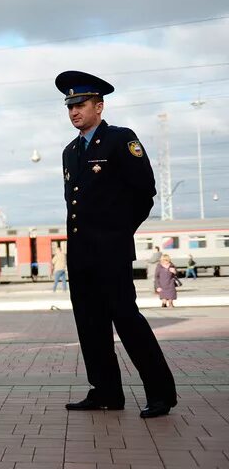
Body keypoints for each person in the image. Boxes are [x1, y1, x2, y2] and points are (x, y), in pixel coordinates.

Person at [57, 70, 177, 419]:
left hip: (110, 252)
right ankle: (106, 392)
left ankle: (160, 393)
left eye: (80, 104)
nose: (74, 111)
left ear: (99, 105)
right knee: (90, 325)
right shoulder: (70, 152)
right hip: (80, 256)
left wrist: (119, 233)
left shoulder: (121, 139)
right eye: (70, 106)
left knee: (127, 320)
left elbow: (145, 193)